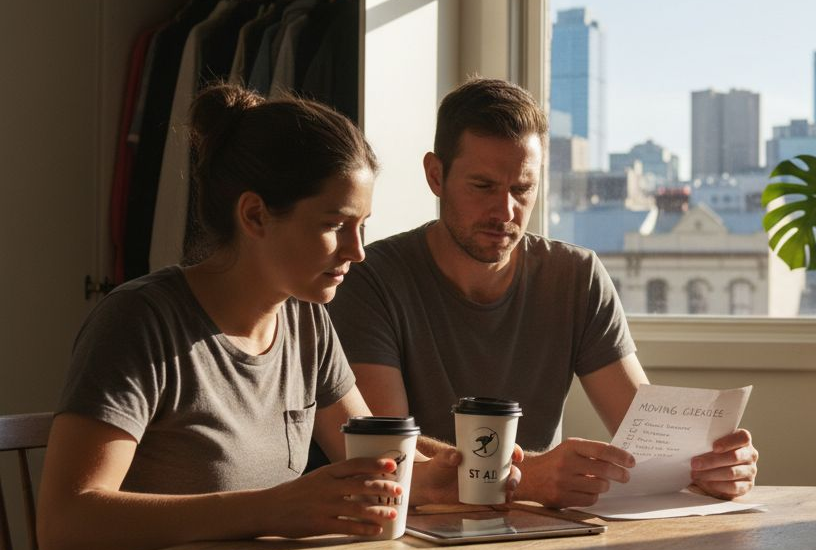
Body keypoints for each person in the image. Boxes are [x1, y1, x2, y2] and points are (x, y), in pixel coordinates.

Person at [37, 83, 517, 550]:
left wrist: (442, 478)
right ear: (254, 215)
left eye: (362, 227)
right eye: (335, 225)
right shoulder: (140, 322)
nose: (358, 251)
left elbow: (377, 459)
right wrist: (272, 509)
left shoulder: (307, 322)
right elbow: (66, 522)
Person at [327, 78, 759, 509]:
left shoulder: (576, 276)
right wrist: (523, 477)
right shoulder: (369, 277)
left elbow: (648, 439)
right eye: (483, 187)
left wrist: (708, 469)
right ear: (436, 176)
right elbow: (386, 454)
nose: (505, 211)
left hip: (541, 530)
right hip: (419, 531)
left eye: (522, 189)